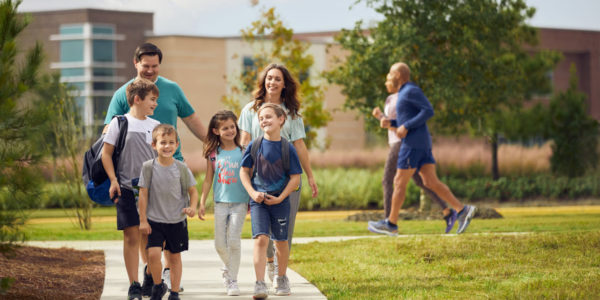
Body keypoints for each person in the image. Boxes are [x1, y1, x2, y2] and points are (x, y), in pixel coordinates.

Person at [104, 42, 207, 294]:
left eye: (155, 66)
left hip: (172, 169)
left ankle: (163, 273)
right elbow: (108, 131)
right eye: (145, 66)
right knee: (144, 228)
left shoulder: (171, 89)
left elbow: (191, 118)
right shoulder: (123, 93)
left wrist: (212, 142)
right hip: (137, 175)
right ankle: (152, 270)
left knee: (170, 223)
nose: (150, 70)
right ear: (135, 63)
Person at [368, 62, 476, 236]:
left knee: (398, 182)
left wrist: (407, 126)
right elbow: (409, 118)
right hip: (421, 142)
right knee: (430, 182)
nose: (387, 77)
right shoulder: (403, 93)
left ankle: (391, 223)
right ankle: (462, 210)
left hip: (412, 143)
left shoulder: (411, 90)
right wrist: (393, 123)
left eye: (390, 74)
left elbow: (428, 110)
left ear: (399, 75)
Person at [238, 63, 317, 285]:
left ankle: (281, 275)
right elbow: (243, 144)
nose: (272, 82)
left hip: (286, 179)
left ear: (285, 85)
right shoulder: (249, 110)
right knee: (262, 231)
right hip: (257, 181)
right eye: (269, 78)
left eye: (277, 79)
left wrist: (309, 176)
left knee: (284, 230)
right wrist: (244, 182)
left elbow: (300, 146)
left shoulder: (291, 114)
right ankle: (270, 264)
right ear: (264, 81)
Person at [101, 78, 160, 300]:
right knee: (131, 237)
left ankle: (148, 274)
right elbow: (106, 154)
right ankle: (134, 284)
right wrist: (113, 180)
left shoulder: (156, 126)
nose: (155, 103)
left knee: (153, 237)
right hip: (125, 188)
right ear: (137, 99)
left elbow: (161, 157)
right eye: (152, 99)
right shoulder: (119, 123)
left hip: (151, 191)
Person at [240, 103, 303, 298]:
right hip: (258, 201)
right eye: (261, 118)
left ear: (281, 119)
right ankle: (259, 283)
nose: (264, 121)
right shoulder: (255, 145)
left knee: (281, 242)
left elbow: (295, 178)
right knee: (261, 239)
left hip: (280, 201)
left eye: (268, 117)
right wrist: (252, 193)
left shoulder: (288, 148)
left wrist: (281, 197)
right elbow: (243, 171)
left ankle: (281, 277)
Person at [138, 124, 198, 300]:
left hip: (176, 221)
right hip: (154, 220)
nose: (167, 146)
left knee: (174, 258)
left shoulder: (181, 168)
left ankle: (174, 292)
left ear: (177, 145)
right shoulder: (148, 167)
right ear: (154, 145)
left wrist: (192, 207)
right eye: (162, 142)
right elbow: (143, 194)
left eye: (171, 142)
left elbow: (193, 191)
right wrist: (143, 220)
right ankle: (158, 285)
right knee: (153, 254)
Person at [198, 110, 248, 296]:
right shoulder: (213, 154)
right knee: (219, 244)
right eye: (225, 128)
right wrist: (202, 202)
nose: (229, 130)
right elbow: (208, 179)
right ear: (216, 131)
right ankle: (228, 267)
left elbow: (250, 176)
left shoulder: (243, 151)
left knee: (234, 241)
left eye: (232, 127)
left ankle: (232, 280)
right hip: (220, 203)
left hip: (240, 203)